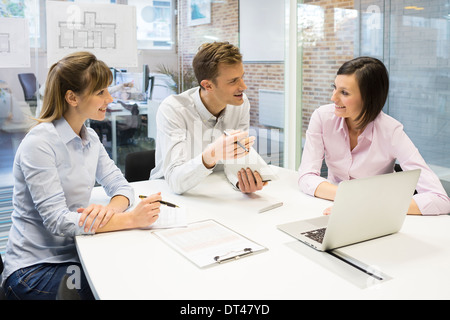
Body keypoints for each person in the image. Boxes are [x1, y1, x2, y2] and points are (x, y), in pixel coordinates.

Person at [1, 51, 162, 300]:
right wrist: (131, 220)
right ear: (72, 97)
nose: (109, 98)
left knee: (137, 271)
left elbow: (121, 186)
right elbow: (58, 221)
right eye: (100, 92)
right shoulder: (40, 143)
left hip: (76, 253)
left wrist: (111, 210)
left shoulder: (90, 138)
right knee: (117, 289)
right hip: (34, 270)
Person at [298, 56, 450, 216]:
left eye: (344, 92)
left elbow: (440, 199)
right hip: (331, 207)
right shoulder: (322, 117)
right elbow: (306, 176)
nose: (333, 98)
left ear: (369, 98)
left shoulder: (391, 131)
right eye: (334, 87)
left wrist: (369, 206)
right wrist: (350, 199)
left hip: (376, 216)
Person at [150, 41, 266, 194]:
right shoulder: (174, 109)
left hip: (216, 189)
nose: (243, 86)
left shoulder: (241, 104)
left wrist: (241, 181)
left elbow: (235, 161)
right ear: (208, 85)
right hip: (168, 194)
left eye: (241, 77)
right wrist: (212, 154)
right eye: (233, 81)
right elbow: (175, 180)